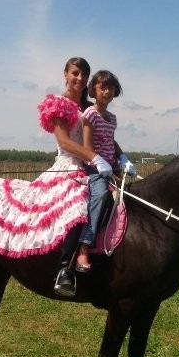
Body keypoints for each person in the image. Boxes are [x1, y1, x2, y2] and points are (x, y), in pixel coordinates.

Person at [37, 57, 114, 296]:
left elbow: (105, 136)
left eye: (84, 75)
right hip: (70, 165)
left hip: (92, 166)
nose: (80, 79)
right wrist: (94, 158)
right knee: (77, 207)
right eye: (75, 73)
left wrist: (121, 157)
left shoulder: (90, 108)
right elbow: (65, 141)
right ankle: (64, 269)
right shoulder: (59, 103)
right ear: (65, 74)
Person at [75, 70, 136, 272]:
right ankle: (84, 246)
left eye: (110, 87)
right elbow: (86, 147)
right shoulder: (90, 114)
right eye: (102, 87)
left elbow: (110, 141)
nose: (107, 91)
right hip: (94, 167)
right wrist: (100, 163)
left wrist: (123, 158)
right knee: (100, 195)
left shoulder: (112, 118)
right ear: (94, 90)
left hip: (111, 167)